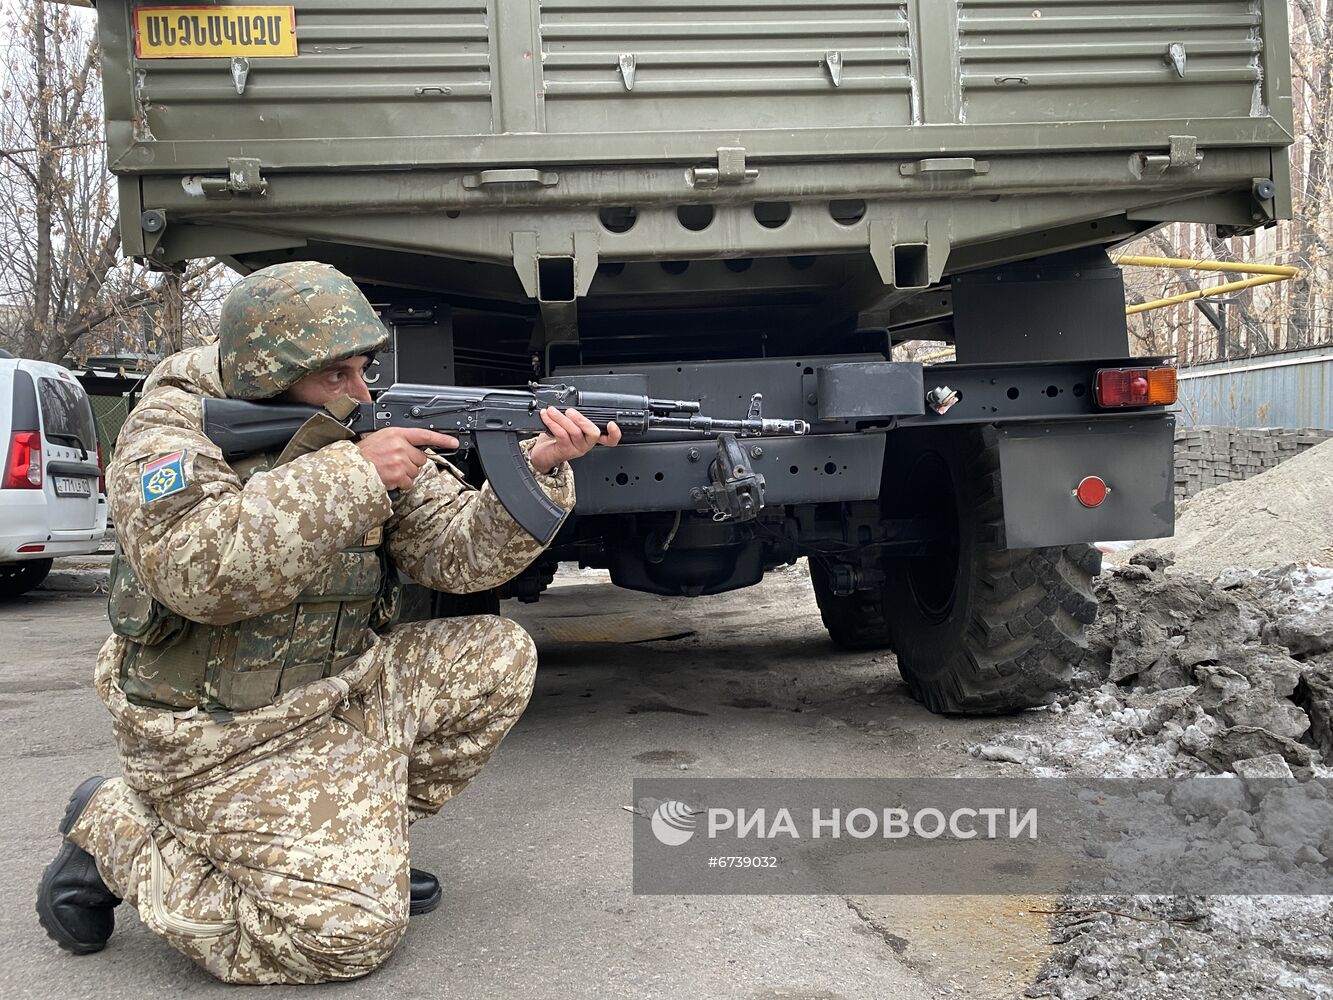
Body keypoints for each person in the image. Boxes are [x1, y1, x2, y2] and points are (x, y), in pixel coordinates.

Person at [35, 261, 619, 984]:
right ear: (265, 374)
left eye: (363, 369)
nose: (361, 392)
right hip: (213, 736)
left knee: (495, 655)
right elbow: (198, 573)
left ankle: (354, 844)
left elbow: (458, 558)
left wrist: (535, 468)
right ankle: (115, 827)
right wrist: (355, 474)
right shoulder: (169, 433)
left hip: (335, 690)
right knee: (341, 941)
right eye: (336, 375)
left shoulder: (350, 427)